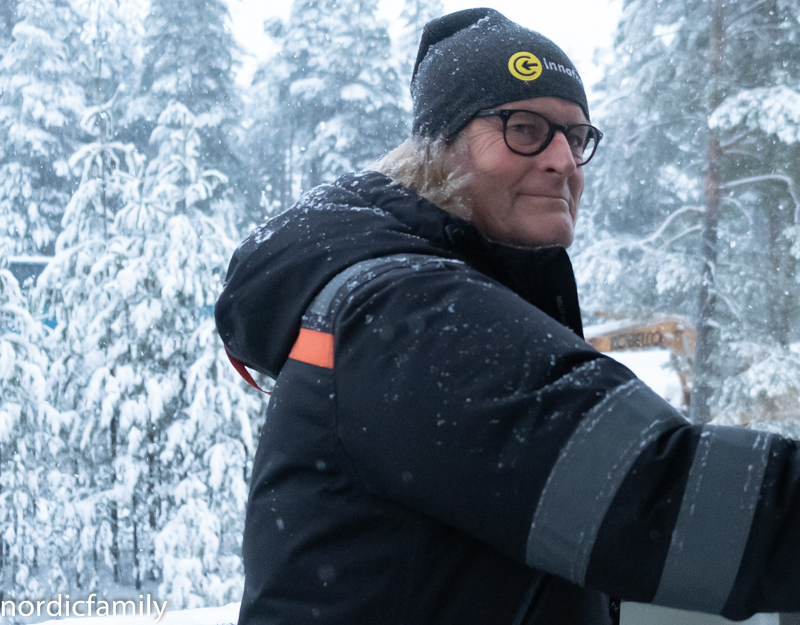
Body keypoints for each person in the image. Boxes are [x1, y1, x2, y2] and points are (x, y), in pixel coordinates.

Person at [215, 8, 800, 625]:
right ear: (439, 148)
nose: (563, 161)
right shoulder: (404, 311)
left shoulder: (409, 296)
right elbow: (653, 494)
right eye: (525, 128)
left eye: (576, 138)